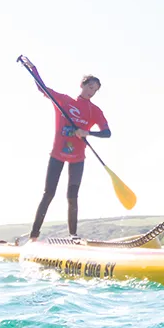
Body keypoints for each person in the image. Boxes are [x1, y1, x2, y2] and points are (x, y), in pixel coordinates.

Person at [18, 56, 111, 241]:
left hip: (78, 159)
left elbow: (107, 133)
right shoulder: (64, 101)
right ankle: (34, 236)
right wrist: (33, 68)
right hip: (57, 155)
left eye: (96, 90)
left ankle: (73, 237)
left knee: (72, 196)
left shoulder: (95, 111)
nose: (92, 92)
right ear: (82, 85)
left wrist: (87, 133)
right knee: (49, 194)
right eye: (90, 87)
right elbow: (42, 88)